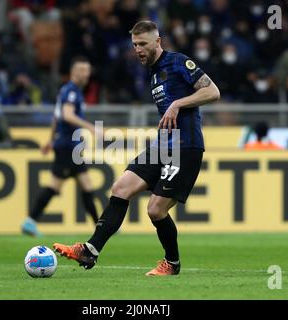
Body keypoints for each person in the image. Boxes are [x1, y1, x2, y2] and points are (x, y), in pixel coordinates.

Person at [53, 21, 221, 276]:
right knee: (120, 188)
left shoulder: (178, 62)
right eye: (135, 45)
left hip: (185, 147)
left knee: (155, 210)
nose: (138, 50)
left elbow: (213, 91)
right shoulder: (153, 72)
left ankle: (172, 264)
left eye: (143, 44)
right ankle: (90, 250)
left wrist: (178, 104)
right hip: (163, 145)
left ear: (158, 42)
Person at [21, 56, 99, 237]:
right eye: (83, 70)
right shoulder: (72, 91)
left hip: (68, 145)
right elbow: (67, 115)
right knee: (56, 186)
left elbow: (56, 117)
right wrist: (91, 128)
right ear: (74, 72)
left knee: (86, 185)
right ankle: (30, 221)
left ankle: (100, 225)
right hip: (69, 147)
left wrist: (50, 139)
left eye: (88, 70)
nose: (86, 74)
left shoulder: (67, 91)